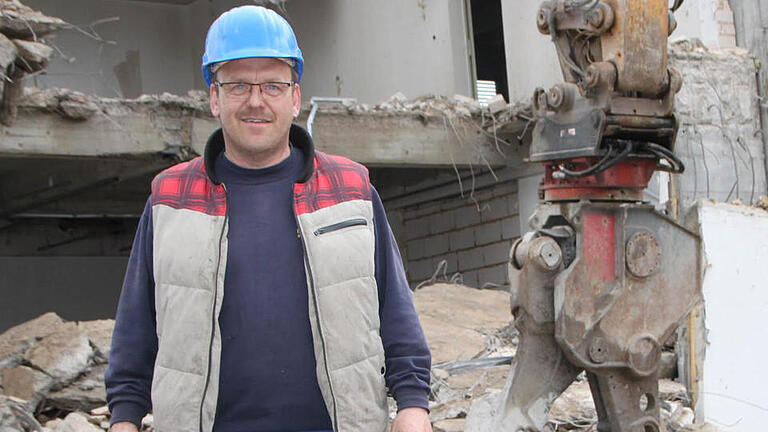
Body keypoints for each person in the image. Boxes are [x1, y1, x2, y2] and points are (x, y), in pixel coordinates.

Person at [105, 5, 432, 432]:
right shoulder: (170, 200)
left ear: (295, 97)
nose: (256, 100)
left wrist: (412, 404)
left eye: (273, 85)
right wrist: (124, 418)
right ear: (214, 97)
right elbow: (137, 325)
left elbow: (394, 307)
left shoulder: (351, 190)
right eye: (238, 84)